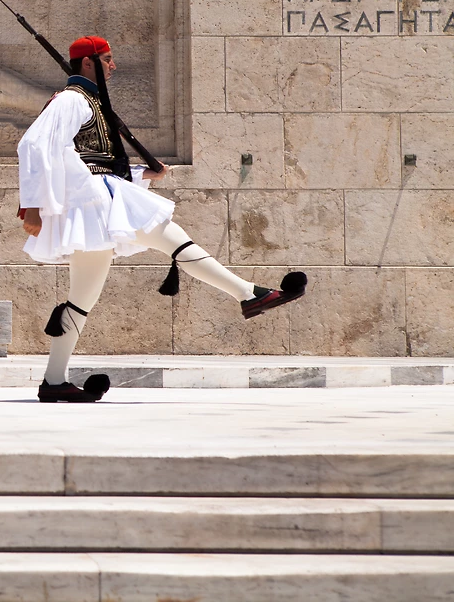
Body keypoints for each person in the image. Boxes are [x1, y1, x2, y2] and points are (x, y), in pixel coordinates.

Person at [17, 36, 307, 403]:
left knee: (81, 299)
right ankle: (250, 295)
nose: (113, 66)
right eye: (107, 59)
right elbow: (33, 145)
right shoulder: (73, 99)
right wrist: (33, 206)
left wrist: (140, 174)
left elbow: (92, 158)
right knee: (175, 239)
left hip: (95, 204)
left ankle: (54, 381)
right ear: (88, 63)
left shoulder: (90, 100)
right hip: (94, 203)